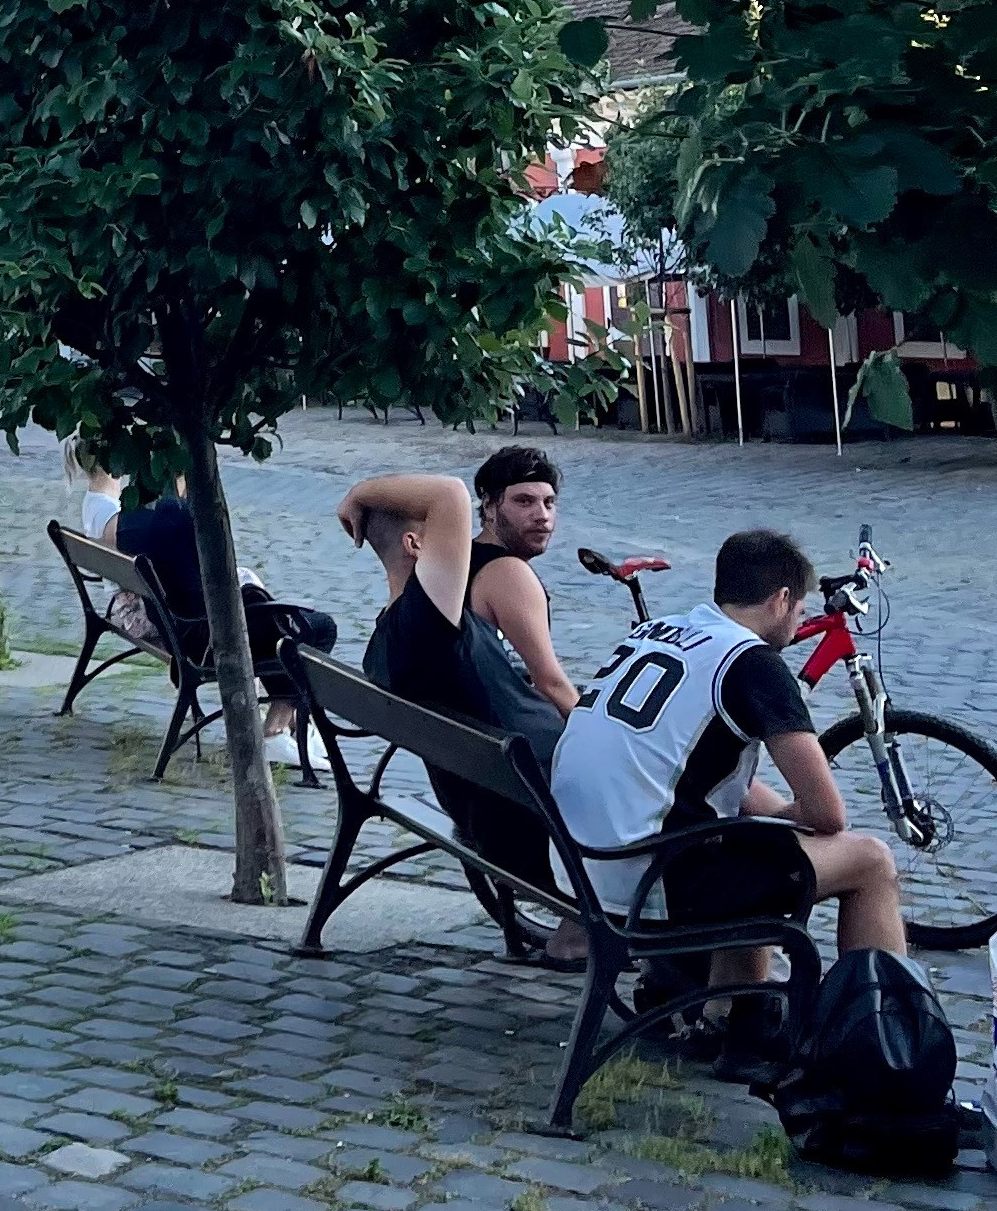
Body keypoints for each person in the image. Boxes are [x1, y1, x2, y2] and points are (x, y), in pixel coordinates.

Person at [553, 525, 907, 1076]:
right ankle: (884, 1041)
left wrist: (777, 821)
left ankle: (735, 1019)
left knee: (752, 842)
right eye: (800, 608)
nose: (798, 621)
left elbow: (700, 780)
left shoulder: (661, 631)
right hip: (646, 883)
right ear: (782, 599)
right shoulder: (752, 662)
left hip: (579, 863)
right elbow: (827, 814)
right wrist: (790, 822)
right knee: (871, 861)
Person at [338, 466, 579, 957]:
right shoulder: (425, 626)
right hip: (533, 808)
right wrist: (358, 493)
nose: (462, 549)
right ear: (414, 545)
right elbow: (450, 492)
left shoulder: (385, 644)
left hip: (490, 799)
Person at [117, 470, 304, 770]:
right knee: (308, 631)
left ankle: (288, 722)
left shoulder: (133, 522)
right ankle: (277, 727)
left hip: (178, 633)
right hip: (204, 641)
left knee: (277, 628)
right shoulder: (177, 516)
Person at [463, 441, 581, 720]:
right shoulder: (507, 573)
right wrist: (598, 733)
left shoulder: (462, 560)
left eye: (549, 502)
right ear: (489, 507)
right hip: (502, 737)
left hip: (463, 729)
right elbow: (550, 684)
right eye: (524, 501)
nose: (542, 516)